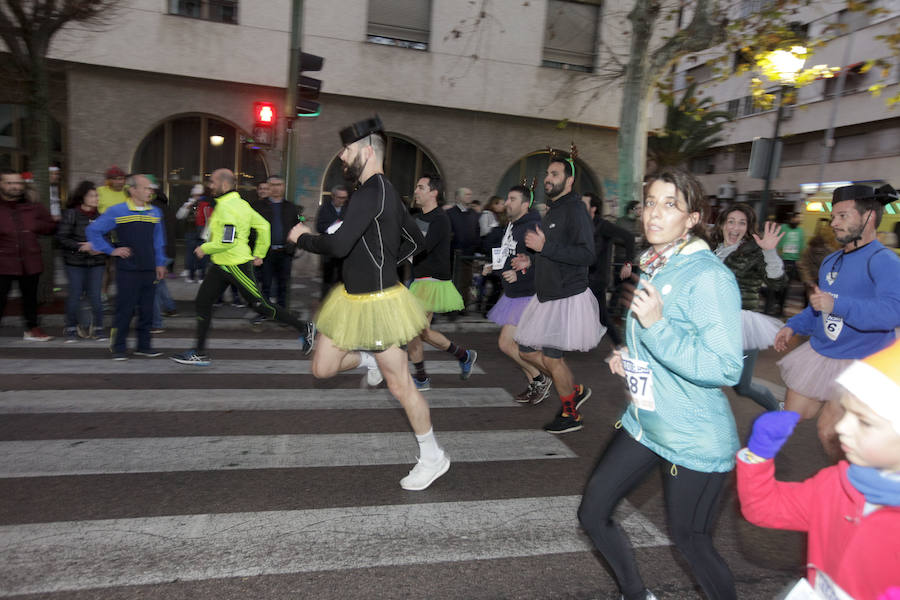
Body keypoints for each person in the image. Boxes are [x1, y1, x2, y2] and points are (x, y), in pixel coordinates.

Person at [579, 168, 743, 600]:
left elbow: (725, 367)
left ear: (692, 218)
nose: (654, 213)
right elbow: (662, 338)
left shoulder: (708, 276)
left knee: (692, 542)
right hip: (646, 421)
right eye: (651, 201)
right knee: (593, 513)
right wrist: (632, 354)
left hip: (694, 437)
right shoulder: (657, 261)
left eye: (670, 204)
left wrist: (655, 330)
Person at [287, 116, 449, 492]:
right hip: (351, 299)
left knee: (401, 386)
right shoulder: (384, 191)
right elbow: (413, 242)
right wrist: (379, 255)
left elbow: (339, 245)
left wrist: (303, 238)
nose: (342, 156)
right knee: (323, 368)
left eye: (346, 149)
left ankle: (433, 457)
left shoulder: (373, 191)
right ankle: (367, 358)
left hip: (378, 304)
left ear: (365, 149)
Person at [737, 339, 900, 600]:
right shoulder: (836, 483)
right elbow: (764, 508)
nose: (842, 427)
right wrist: (758, 454)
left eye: (865, 422)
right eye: (846, 413)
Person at [774, 184, 900, 460]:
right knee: (790, 417)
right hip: (823, 354)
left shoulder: (885, 261)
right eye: (834, 216)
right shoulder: (831, 261)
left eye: (843, 216)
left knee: (830, 433)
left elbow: (892, 312)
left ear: (868, 217)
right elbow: (818, 308)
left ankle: (852, 490)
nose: (833, 223)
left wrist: (837, 305)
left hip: (862, 363)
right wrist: (793, 325)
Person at [170, 169, 315, 366]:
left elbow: (228, 240)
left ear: (224, 184)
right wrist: (259, 252)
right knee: (203, 302)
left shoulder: (229, 207)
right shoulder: (240, 204)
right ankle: (199, 352)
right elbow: (264, 226)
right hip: (222, 265)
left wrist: (205, 248)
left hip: (235, 264)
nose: (209, 185)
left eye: (212, 182)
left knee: (260, 305)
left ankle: (304, 328)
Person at [510, 157, 604, 434]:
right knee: (526, 350)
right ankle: (572, 389)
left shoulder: (575, 210)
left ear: (569, 180)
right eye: (547, 173)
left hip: (566, 297)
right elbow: (552, 251)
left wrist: (545, 247)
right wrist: (532, 261)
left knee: (552, 359)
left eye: (555, 173)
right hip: (546, 295)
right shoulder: (554, 210)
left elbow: (587, 255)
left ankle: (570, 414)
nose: (548, 178)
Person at [712, 203, 787, 412]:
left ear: (748, 228)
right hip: (710, 321)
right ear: (722, 225)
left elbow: (777, 282)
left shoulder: (752, 252)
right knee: (704, 377)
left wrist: (770, 253)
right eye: (731, 221)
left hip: (740, 324)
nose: (735, 227)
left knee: (742, 386)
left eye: (742, 223)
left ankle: (777, 412)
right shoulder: (711, 251)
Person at [406, 173, 478, 391]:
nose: (416, 191)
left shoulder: (440, 219)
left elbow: (421, 247)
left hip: (433, 282)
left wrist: (397, 255)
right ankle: (464, 356)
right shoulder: (418, 217)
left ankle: (422, 378)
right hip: (419, 280)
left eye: (421, 187)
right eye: (416, 187)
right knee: (421, 332)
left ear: (433, 192)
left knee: (413, 331)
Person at [86, 174, 168, 360]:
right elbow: (93, 231)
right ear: (132, 190)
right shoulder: (118, 211)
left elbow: (158, 240)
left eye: (151, 188)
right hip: (127, 269)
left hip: (149, 269)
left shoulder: (155, 212)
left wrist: (161, 262)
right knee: (125, 309)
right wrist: (111, 250)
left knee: (147, 310)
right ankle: (118, 347)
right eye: (147, 188)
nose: (151, 191)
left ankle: (144, 347)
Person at [483, 185, 551, 404]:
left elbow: (541, 260)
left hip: (527, 293)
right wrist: (493, 265)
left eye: (512, 199)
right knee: (519, 347)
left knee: (509, 344)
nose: (507, 203)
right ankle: (535, 383)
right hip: (513, 294)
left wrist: (520, 274)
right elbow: (508, 253)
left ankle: (544, 378)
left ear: (524, 204)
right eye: (507, 198)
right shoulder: (512, 225)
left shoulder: (532, 227)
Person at [0, 169, 57, 341]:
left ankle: (32, 329)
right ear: (1, 185)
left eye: (18, 183)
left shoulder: (34, 206)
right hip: (3, 262)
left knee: (30, 299)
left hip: (30, 261)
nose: (15, 187)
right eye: (9, 183)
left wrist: (36, 226)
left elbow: (50, 227)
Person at [56, 180, 107, 341]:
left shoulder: (101, 217)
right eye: (92, 195)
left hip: (96, 263)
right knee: (75, 294)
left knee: (96, 296)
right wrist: (80, 246)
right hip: (74, 263)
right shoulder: (71, 214)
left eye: (97, 196)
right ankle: (71, 328)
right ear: (82, 197)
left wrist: (101, 247)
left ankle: (98, 328)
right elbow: (61, 238)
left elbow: (110, 239)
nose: (96, 199)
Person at [583, 191, 634, 349]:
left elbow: (629, 238)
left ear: (593, 209)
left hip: (597, 278)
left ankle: (619, 345)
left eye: (583, 204)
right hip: (583, 277)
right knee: (597, 314)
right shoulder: (581, 225)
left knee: (602, 315)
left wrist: (628, 263)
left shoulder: (603, 226)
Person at [252, 175, 301, 309]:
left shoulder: (291, 207)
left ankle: (282, 314)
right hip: (265, 253)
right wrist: (254, 252)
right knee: (265, 285)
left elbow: (298, 226)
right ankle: (265, 312)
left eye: (279, 184)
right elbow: (251, 231)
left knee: (283, 285)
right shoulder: (258, 206)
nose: (276, 188)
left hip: (285, 252)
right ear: (268, 187)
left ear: (284, 187)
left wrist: (294, 246)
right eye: (272, 185)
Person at [446, 187, 480, 314]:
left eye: (470, 194)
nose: (469, 196)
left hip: (468, 255)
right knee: (452, 282)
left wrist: (475, 247)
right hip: (453, 254)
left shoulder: (474, 214)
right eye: (466, 194)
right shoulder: (450, 213)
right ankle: (450, 308)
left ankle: (462, 306)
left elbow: (477, 232)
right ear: (458, 197)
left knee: (466, 281)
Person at [767, 211, 805, 316]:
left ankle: (780, 308)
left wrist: (800, 259)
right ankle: (772, 304)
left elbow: (802, 245)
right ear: (791, 218)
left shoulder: (800, 231)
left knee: (787, 286)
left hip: (793, 262)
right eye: (796, 218)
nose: (798, 221)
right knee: (777, 284)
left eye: (799, 219)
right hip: (781, 260)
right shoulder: (783, 228)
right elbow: (776, 242)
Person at [316, 184, 349, 299]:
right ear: (333, 196)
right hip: (328, 249)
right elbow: (319, 226)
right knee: (327, 279)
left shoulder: (348, 208)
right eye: (340, 198)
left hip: (343, 249)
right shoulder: (324, 208)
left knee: (342, 279)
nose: (343, 200)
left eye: (345, 198)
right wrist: (333, 227)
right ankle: (324, 302)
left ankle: (339, 301)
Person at [176, 184, 212, 282]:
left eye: (198, 194)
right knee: (198, 253)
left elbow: (179, 216)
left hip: (194, 231)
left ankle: (194, 275)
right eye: (196, 194)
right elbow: (179, 216)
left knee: (194, 253)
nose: (197, 197)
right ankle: (198, 275)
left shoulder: (203, 203)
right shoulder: (205, 203)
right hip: (197, 231)